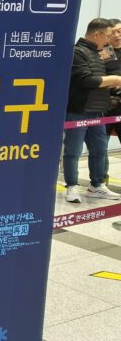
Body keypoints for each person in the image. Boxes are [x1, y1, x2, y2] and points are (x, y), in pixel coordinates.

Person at [64, 18, 121, 204]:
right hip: (78, 110)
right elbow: (85, 80)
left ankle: (97, 185)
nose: (109, 40)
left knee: (99, 150)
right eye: (108, 36)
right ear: (96, 34)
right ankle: (72, 186)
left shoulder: (100, 53)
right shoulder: (77, 52)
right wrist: (115, 80)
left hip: (98, 111)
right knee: (73, 151)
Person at [103, 18, 121, 183]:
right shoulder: (103, 53)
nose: (117, 35)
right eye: (113, 32)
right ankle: (101, 180)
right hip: (106, 106)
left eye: (120, 31)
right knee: (101, 147)